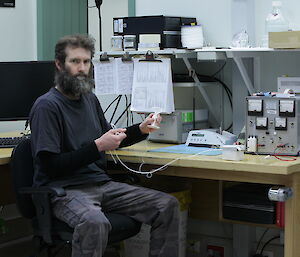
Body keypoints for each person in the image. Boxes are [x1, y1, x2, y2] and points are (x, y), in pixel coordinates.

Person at [29, 34, 179, 257]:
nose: (82, 68)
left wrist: (141, 129)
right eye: (75, 61)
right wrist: (98, 146)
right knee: (94, 222)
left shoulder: (89, 99)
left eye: (87, 62)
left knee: (166, 205)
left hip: (101, 185)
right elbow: (51, 166)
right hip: (64, 191)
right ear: (59, 65)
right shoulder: (46, 107)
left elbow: (112, 138)